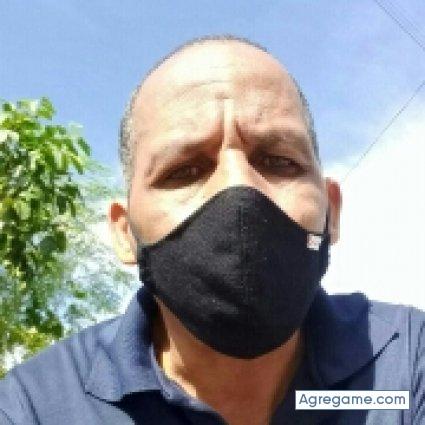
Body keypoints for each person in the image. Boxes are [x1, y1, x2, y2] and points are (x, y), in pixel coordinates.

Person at [0, 35, 424, 425]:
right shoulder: (33, 407)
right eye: (184, 170)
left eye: (279, 161)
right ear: (125, 233)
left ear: (332, 211)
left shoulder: (407, 362)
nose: (237, 188)